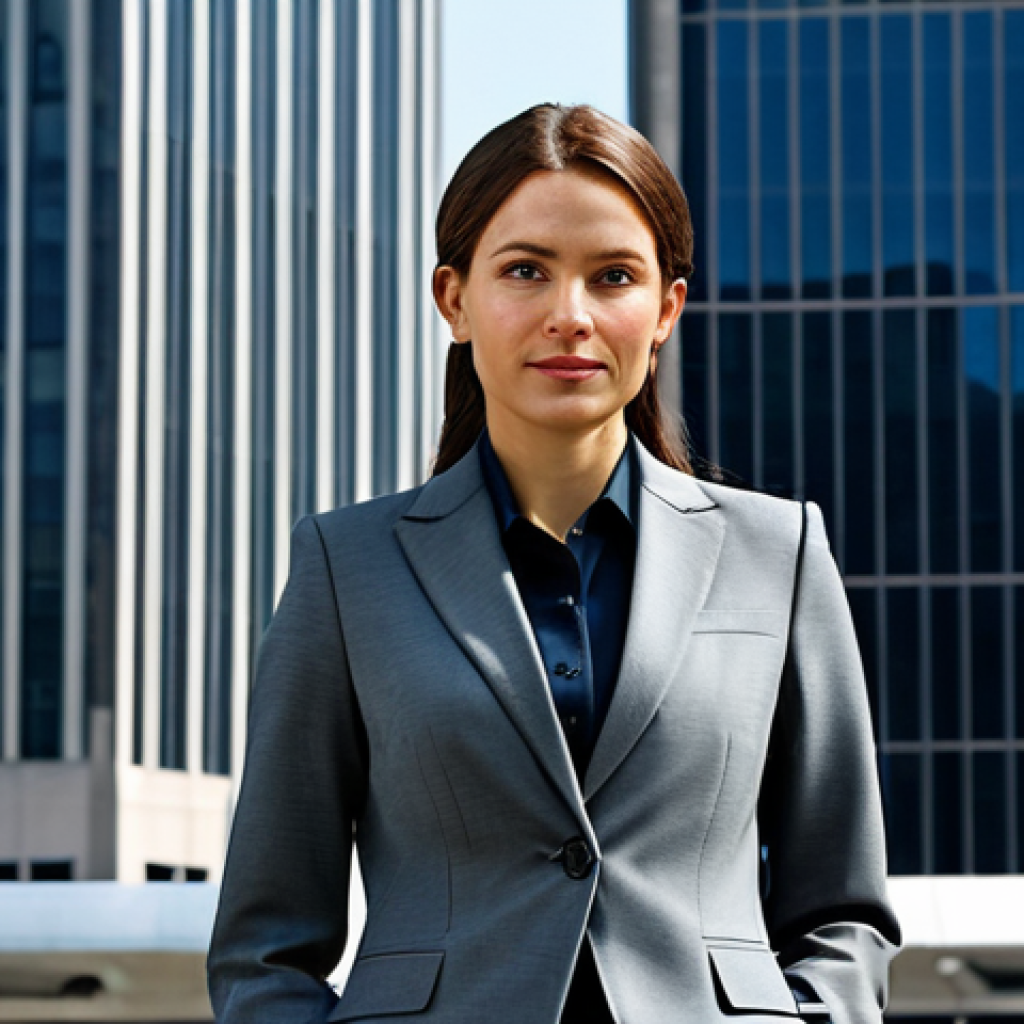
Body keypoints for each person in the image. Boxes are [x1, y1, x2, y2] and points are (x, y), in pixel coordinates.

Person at [207, 103, 901, 1024]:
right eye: (526, 271)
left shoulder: (779, 554)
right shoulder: (347, 566)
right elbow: (266, 946)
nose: (569, 316)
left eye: (613, 276)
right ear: (453, 300)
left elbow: (843, 913)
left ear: (665, 309)